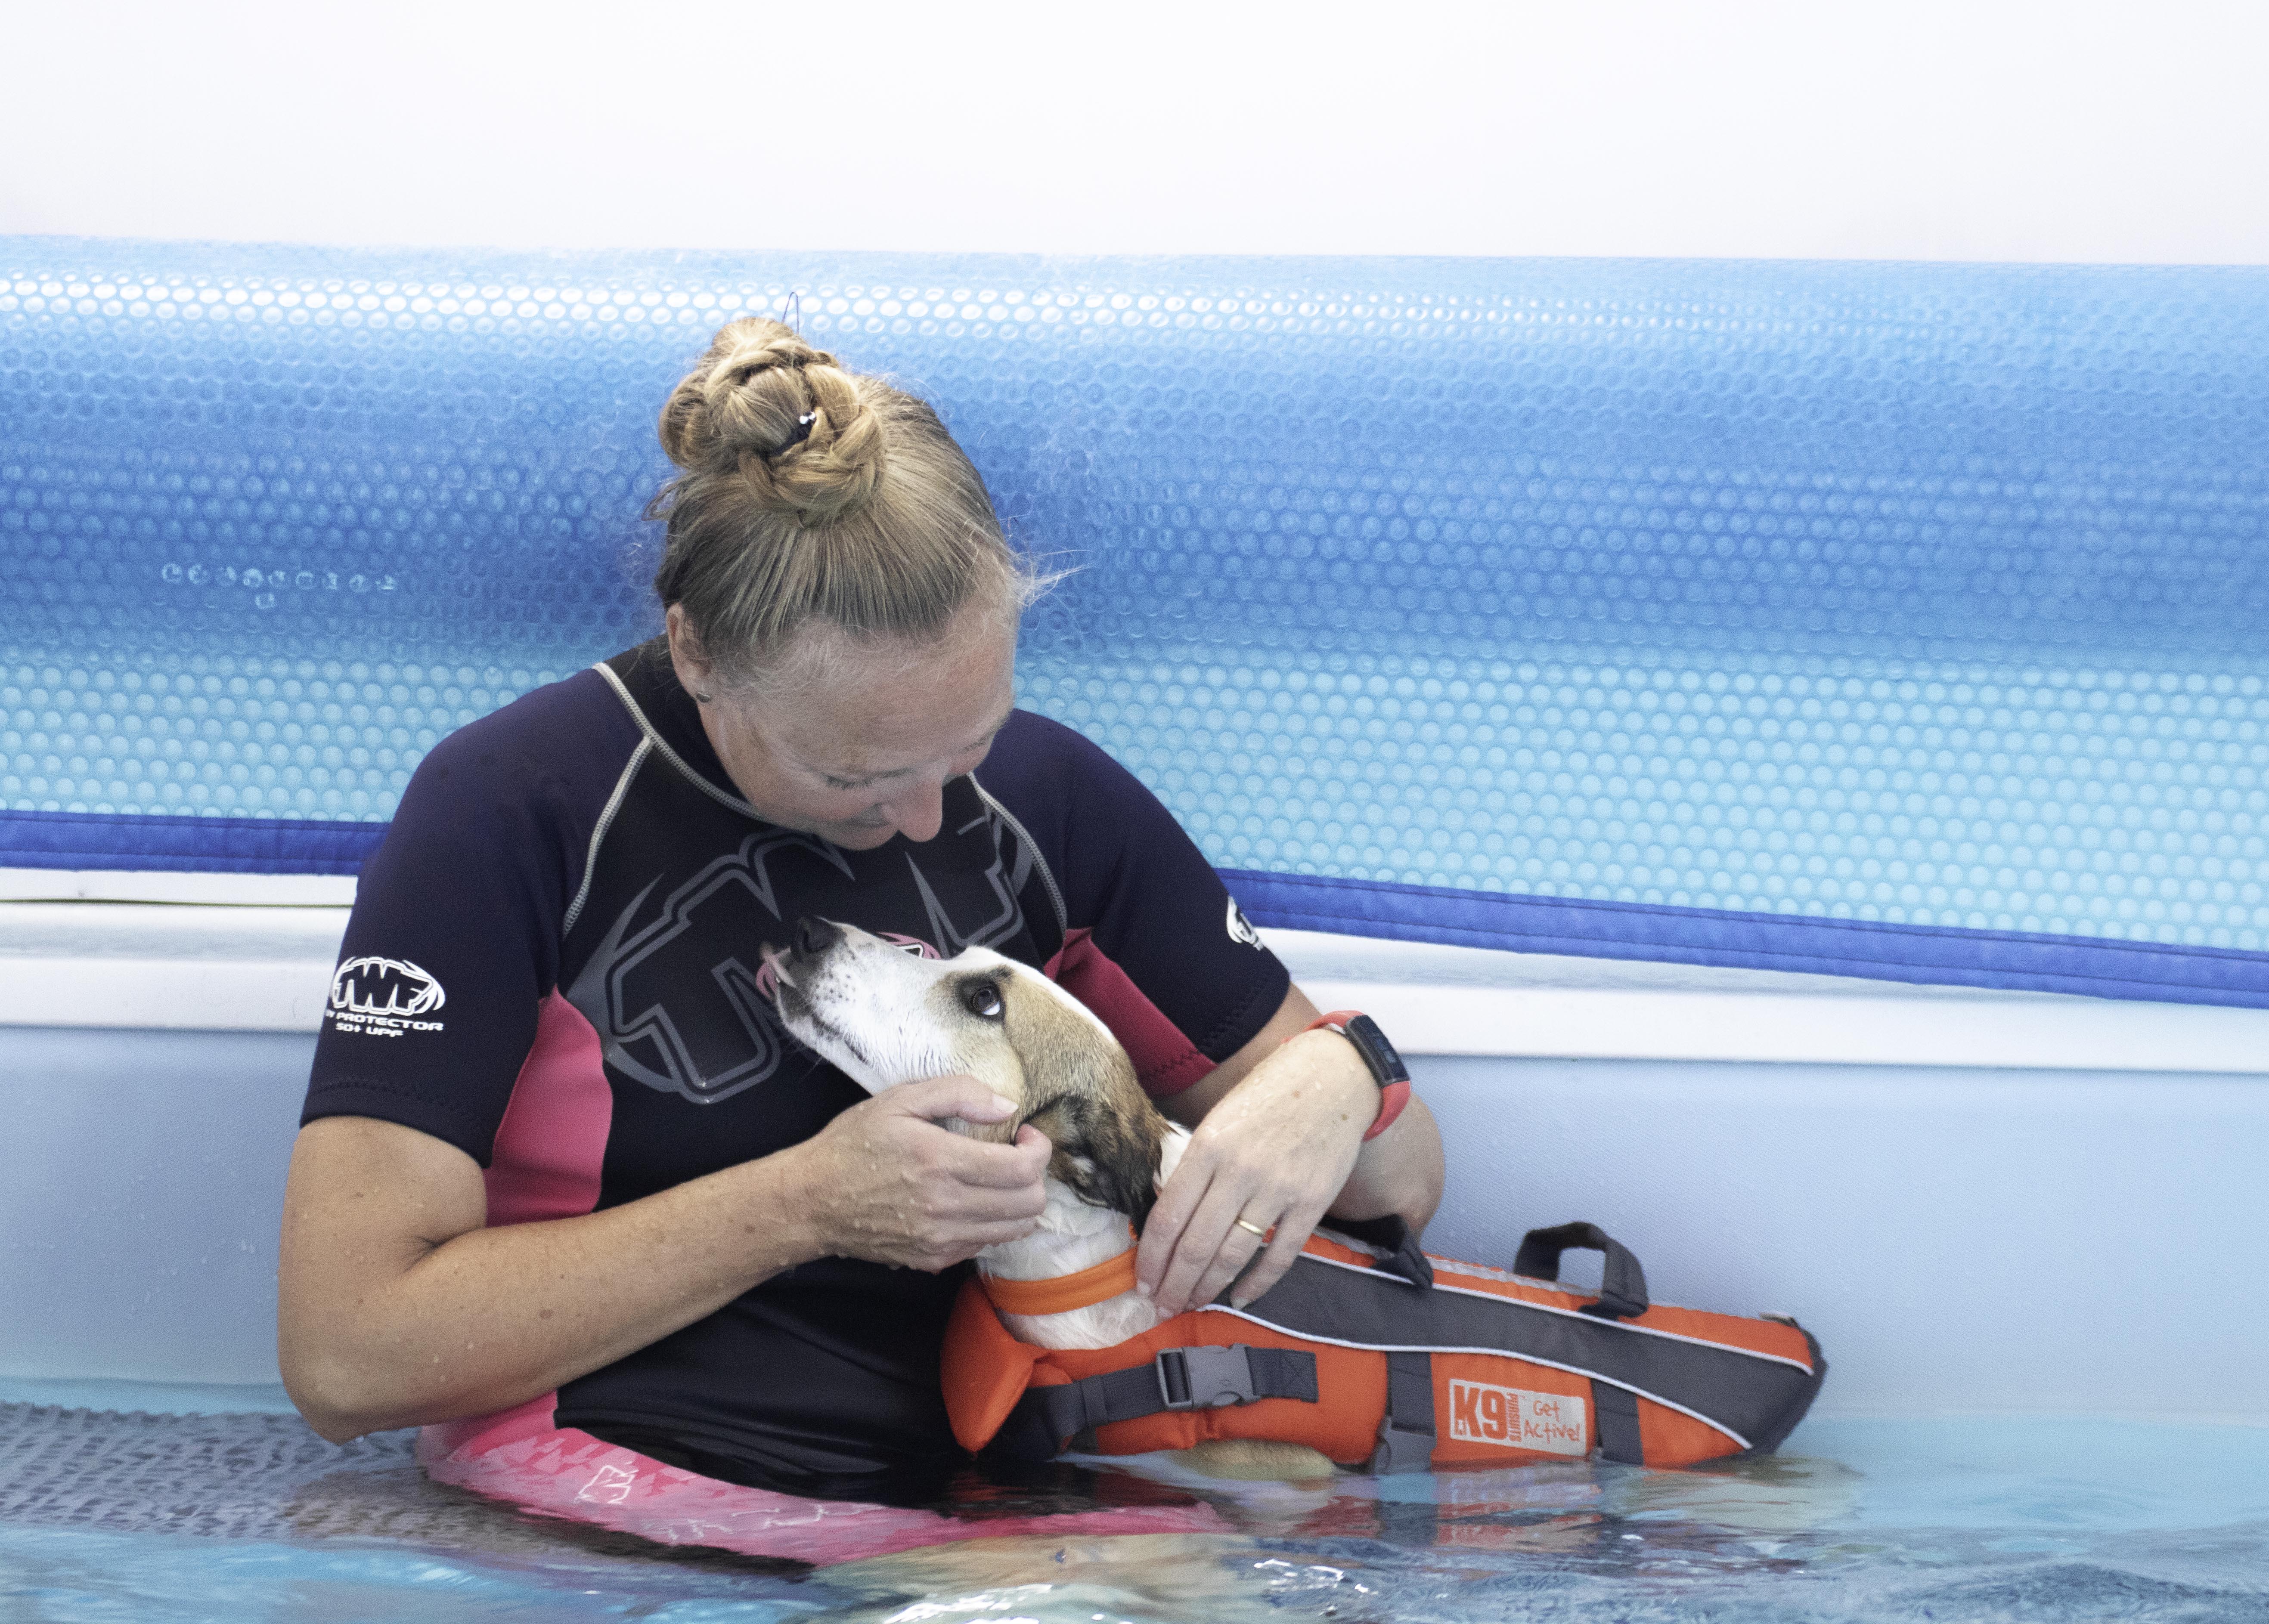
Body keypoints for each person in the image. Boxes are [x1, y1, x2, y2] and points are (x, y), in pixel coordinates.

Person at [277, 319, 1444, 1523]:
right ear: (697, 651)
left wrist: (1336, 1079)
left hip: (984, 1503)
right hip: (608, 1482)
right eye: (854, 778)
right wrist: (804, 1206)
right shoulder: (512, 811)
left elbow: (1402, 1188)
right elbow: (347, 1358)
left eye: (971, 745)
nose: (929, 819)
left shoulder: (1055, 804)